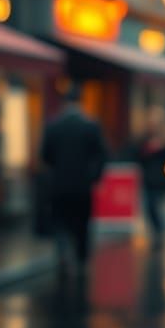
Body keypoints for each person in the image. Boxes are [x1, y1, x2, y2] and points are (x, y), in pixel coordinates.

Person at [40, 83, 109, 280]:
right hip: (82, 186)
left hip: (59, 185)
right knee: (82, 224)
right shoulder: (90, 126)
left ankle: (63, 252)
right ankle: (81, 260)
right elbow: (102, 155)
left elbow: (45, 155)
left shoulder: (53, 126)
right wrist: (95, 177)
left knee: (60, 222)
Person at [130, 105, 165, 246]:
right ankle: (156, 232)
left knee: (154, 205)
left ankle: (158, 232)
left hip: (161, 177)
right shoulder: (144, 137)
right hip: (147, 176)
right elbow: (135, 152)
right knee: (148, 207)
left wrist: (162, 147)